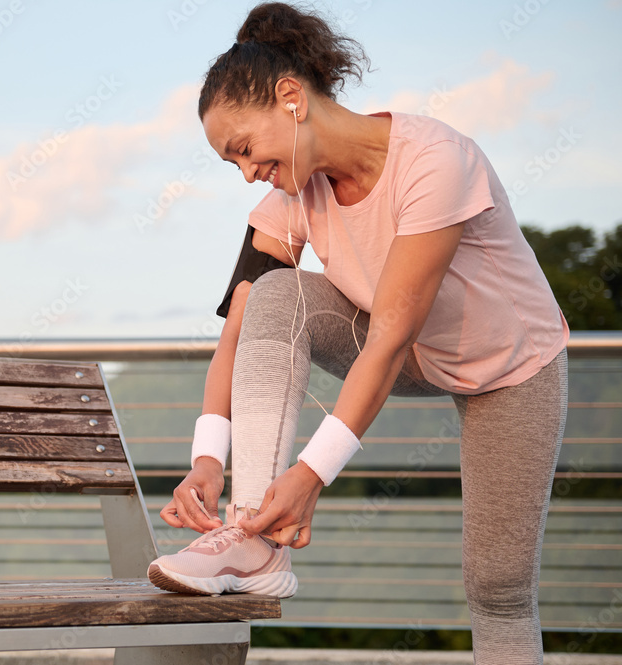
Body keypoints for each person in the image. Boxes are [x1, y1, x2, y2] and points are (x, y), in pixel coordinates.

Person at [146, 3, 569, 663]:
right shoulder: (290, 195)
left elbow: (393, 332)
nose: (246, 171)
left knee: (498, 585)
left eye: (243, 150)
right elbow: (242, 323)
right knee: (275, 292)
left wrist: (312, 473)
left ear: (290, 99)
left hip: (510, 367)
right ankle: (251, 537)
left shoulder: (434, 159)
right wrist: (207, 458)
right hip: (406, 352)